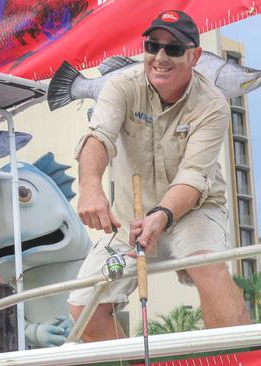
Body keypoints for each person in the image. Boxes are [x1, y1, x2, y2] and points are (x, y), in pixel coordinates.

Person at [67, 10, 250, 342]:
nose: (160, 57)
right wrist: (91, 188)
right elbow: (99, 137)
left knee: (210, 270)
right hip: (129, 221)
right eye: (153, 46)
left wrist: (161, 215)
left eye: (174, 49)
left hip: (193, 212)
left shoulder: (214, 106)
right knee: (83, 308)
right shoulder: (121, 86)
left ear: (194, 56)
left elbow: (193, 178)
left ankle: (235, 359)